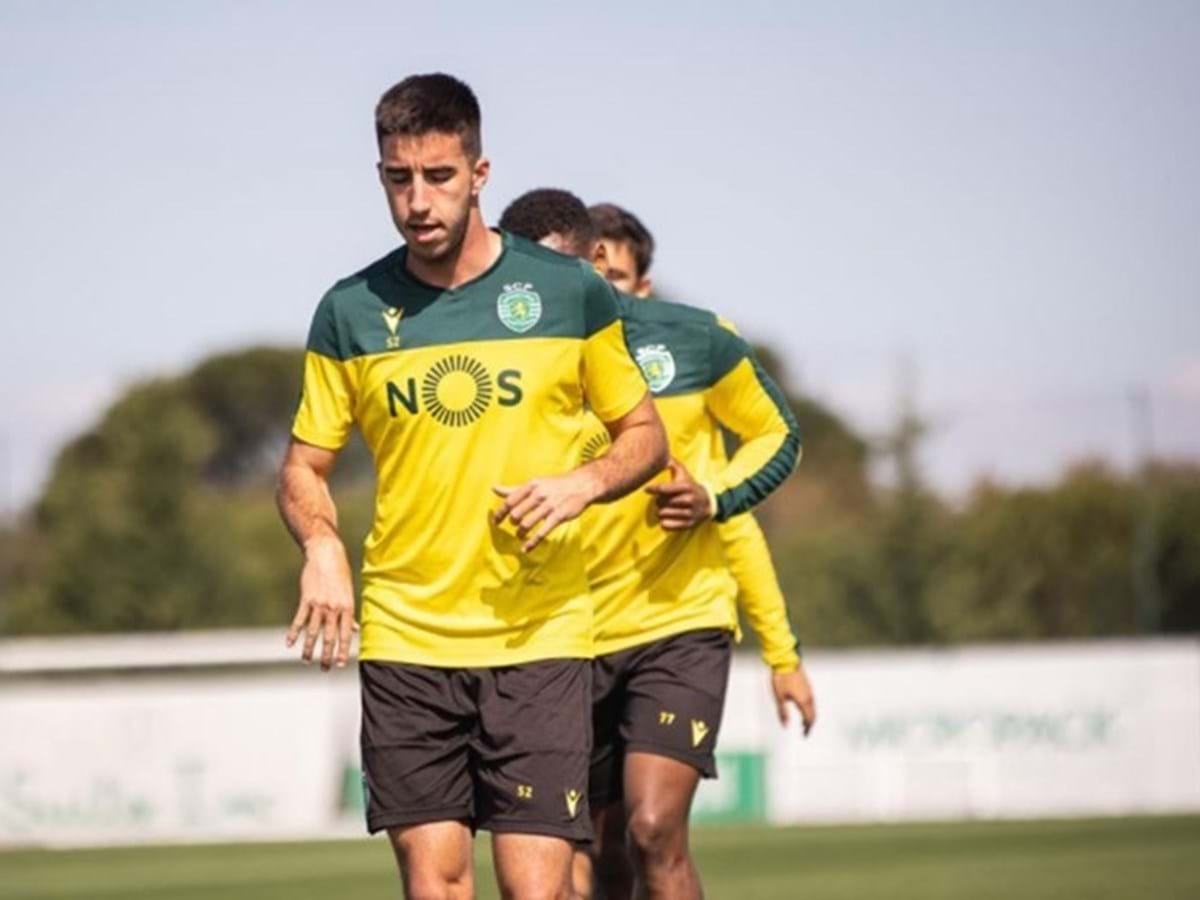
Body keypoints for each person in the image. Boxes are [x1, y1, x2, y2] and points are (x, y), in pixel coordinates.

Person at [276, 76, 668, 900]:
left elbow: (645, 438)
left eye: (439, 177)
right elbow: (303, 466)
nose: (417, 200)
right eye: (397, 177)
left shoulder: (569, 292)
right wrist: (321, 546)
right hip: (407, 640)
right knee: (438, 886)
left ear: (480, 174)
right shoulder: (349, 311)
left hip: (539, 638)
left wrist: (582, 484)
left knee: (537, 892)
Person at [498, 190, 814, 900]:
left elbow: (778, 438)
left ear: (611, 267)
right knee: (597, 859)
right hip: (568, 639)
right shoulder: (517, 356)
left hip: (679, 625)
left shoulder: (694, 339)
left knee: (651, 829)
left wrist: (716, 498)